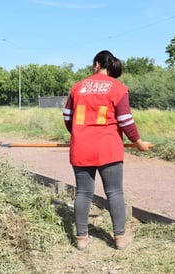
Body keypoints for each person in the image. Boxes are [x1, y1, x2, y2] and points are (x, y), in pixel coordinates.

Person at [62, 50, 151, 251]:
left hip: (81, 147)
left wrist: (77, 132)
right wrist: (137, 141)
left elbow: (67, 116)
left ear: (96, 64)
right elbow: (125, 120)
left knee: (83, 193)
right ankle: (119, 238)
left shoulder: (78, 87)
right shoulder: (118, 88)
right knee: (115, 192)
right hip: (108, 147)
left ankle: (82, 239)